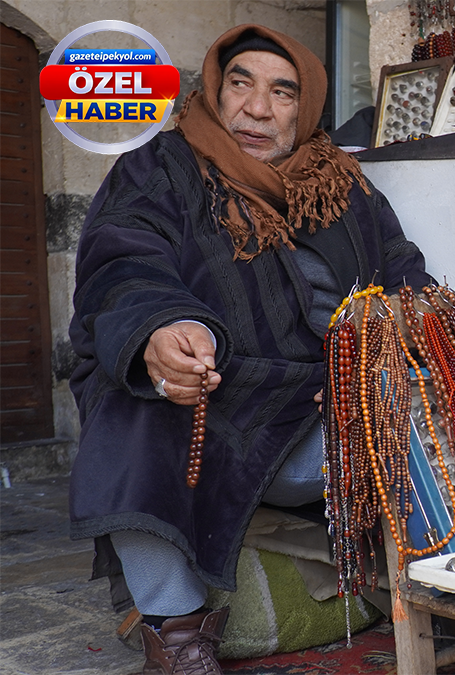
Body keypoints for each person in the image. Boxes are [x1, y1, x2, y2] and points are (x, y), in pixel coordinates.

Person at [68, 24, 431, 675]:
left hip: (322, 423)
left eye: (282, 92)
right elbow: (122, 258)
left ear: (307, 106)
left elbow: (404, 278)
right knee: (133, 405)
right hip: (214, 406)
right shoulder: (159, 171)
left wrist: (370, 357)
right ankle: (178, 638)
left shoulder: (343, 188)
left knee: (437, 411)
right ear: (215, 90)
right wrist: (163, 327)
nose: (258, 109)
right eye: (241, 84)